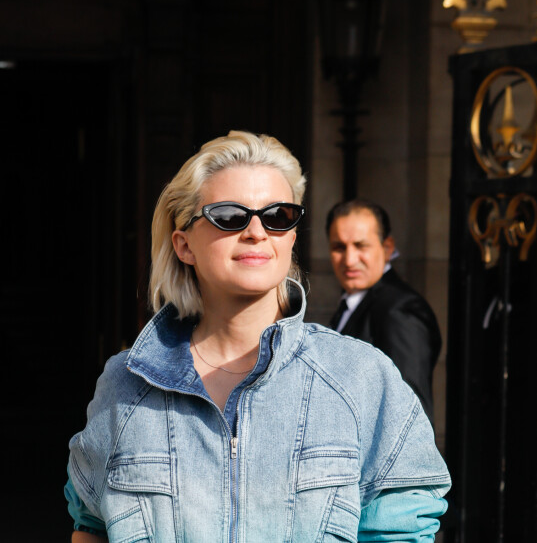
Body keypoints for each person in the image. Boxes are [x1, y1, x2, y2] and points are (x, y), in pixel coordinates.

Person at [65, 130, 451, 542]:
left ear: (292, 237)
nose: (256, 231)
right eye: (229, 216)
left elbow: (400, 528)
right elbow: (91, 525)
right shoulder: (125, 384)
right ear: (184, 244)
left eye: (278, 216)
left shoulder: (362, 377)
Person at [326, 199, 442, 425]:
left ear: (387, 248)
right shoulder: (354, 303)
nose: (349, 260)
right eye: (339, 247)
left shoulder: (399, 310)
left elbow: (410, 413)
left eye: (361, 246)